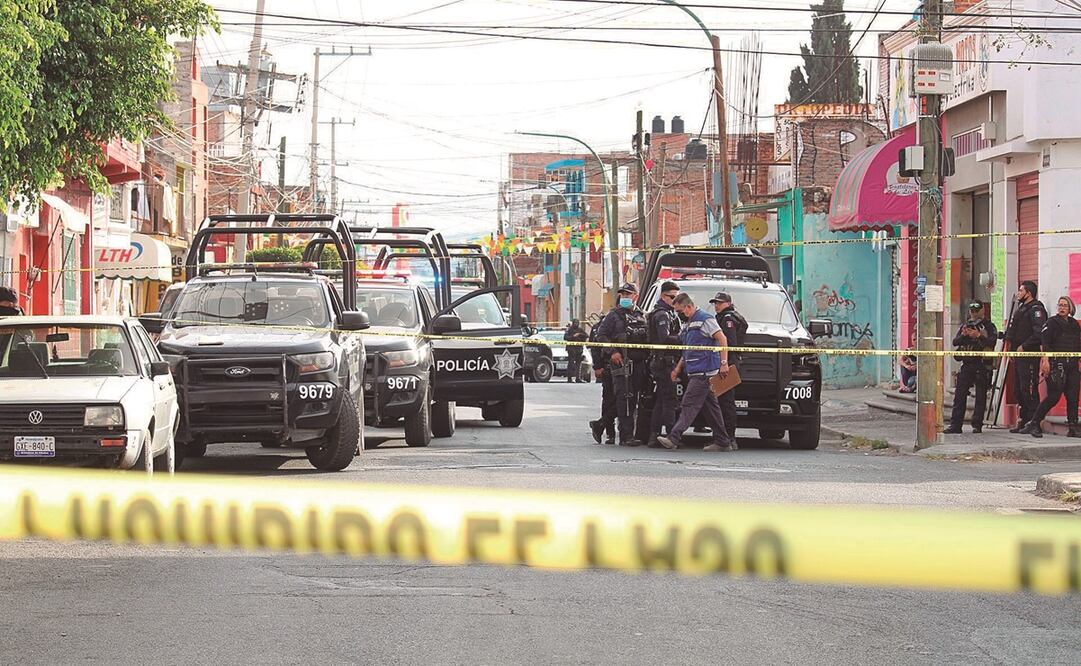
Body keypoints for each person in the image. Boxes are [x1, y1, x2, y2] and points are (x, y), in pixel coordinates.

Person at [657, 292, 735, 452]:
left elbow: (722, 339)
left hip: (704, 372)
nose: (679, 314)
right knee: (712, 409)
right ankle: (723, 441)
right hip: (696, 371)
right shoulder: (689, 324)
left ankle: (673, 438)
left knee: (689, 404)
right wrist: (678, 369)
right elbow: (688, 350)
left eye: (680, 311)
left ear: (689, 307)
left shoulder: (706, 319)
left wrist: (724, 363)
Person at [594, 283, 649, 447]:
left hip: (639, 364)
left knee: (634, 400)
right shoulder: (613, 315)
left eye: (628, 294)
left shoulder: (642, 315)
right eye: (623, 294)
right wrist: (613, 352)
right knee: (624, 399)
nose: (625, 297)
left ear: (636, 296)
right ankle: (626, 436)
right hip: (621, 363)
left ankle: (601, 424)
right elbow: (601, 336)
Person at [1020, 296, 1081, 439]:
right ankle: (1034, 423)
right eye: (1060, 305)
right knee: (1053, 396)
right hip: (1056, 364)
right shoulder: (1052, 322)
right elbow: (1045, 343)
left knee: (1073, 396)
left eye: (1065, 305)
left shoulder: (1074, 324)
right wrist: (1045, 361)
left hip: (1072, 364)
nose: (1062, 308)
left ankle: (1072, 426)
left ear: (1070, 308)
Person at [944, 302, 998, 434]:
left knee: (980, 396)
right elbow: (955, 342)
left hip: (982, 364)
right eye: (971, 310)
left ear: (982, 310)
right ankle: (955, 425)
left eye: (976, 310)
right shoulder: (966, 325)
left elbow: (992, 342)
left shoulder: (989, 326)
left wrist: (978, 336)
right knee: (959, 395)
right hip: (967, 364)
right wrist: (964, 335)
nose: (973, 313)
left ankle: (977, 425)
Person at [1005, 280, 1048, 432]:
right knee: (1019, 389)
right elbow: (1014, 331)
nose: (1018, 293)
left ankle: (1033, 421)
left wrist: (1024, 346)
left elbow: (1039, 333)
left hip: (1029, 355)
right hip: (1018, 355)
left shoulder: (1036, 309)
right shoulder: (1022, 308)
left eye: (1021, 290)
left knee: (1029, 388)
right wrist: (1011, 349)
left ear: (1028, 293)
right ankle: (1024, 418)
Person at [646, 281, 682, 448]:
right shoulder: (662, 314)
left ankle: (654, 435)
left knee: (661, 400)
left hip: (664, 360)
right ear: (663, 296)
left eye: (677, 298)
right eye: (672, 297)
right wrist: (683, 339)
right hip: (664, 362)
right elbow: (664, 338)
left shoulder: (669, 312)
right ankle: (670, 436)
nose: (675, 301)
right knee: (669, 400)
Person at [712, 291, 748, 441]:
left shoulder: (728, 318)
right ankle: (725, 436)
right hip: (728, 361)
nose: (716, 306)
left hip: (728, 362)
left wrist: (724, 362)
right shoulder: (728, 316)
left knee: (725, 401)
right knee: (722, 400)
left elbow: (729, 342)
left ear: (728, 303)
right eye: (715, 303)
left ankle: (727, 437)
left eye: (719, 303)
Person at [588, 323, 616, 446]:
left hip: (628, 366)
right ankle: (609, 433)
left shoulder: (636, 317)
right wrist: (598, 366)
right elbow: (595, 347)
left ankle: (600, 425)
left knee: (624, 401)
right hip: (608, 367)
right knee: (609, 401)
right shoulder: (604, 324)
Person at [563, 319, 588, 383]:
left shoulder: (580, 330)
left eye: (577, 322)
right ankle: (569, 378)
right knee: (571, 364)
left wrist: (579, 334)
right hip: (571, 349)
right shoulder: (569, 330)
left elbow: (586, 335)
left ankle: (578, 378)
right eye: (575, 322)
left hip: (579, 349)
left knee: (578, 364)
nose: (576, 324)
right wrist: (573, 336)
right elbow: (565, 337)